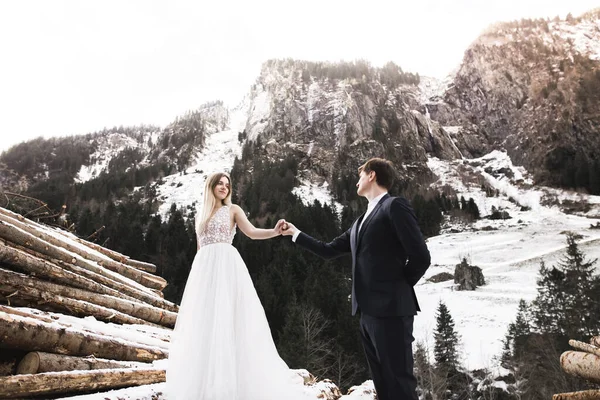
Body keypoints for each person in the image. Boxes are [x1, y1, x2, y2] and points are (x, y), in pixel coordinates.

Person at [281, 158, 431, 400]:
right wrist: (295, 233)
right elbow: (328, 250)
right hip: (366, 313)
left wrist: (396, 288)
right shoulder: (359, 222)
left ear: (371, 175)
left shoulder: (394, 206)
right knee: (383, 383)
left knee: (400, 382)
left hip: (391, 309)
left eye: (360, 175)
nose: (357, 180)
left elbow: (421, 256)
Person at [165, 172, 312, 400]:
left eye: (227, 184)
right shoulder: (200, 214)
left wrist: (274, 232)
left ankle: (232, 385)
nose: (224, 187)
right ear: (211, 186)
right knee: (204, 322)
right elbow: (199, 249)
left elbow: (251, 233)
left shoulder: (233, 210)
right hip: (204, 271)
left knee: (230, 319)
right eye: (220, 184)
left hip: (227, 266)